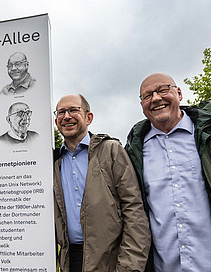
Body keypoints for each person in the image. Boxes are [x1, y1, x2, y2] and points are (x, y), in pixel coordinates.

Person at [124, 73, 211, 272]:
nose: (156, 98)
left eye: (163, 90)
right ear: (142, 105)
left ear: (179, 93)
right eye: (147, 96)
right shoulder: (134, 150)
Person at [53, 94, 150, 272]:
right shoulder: (54, 162)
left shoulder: (110, 150)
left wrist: (129, 267)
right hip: (71, 261)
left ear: (88, 117)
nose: (66, 116)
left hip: (111, 261)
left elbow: (134, 210)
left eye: (74, 110)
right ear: (56, 121)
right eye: (61, 112)